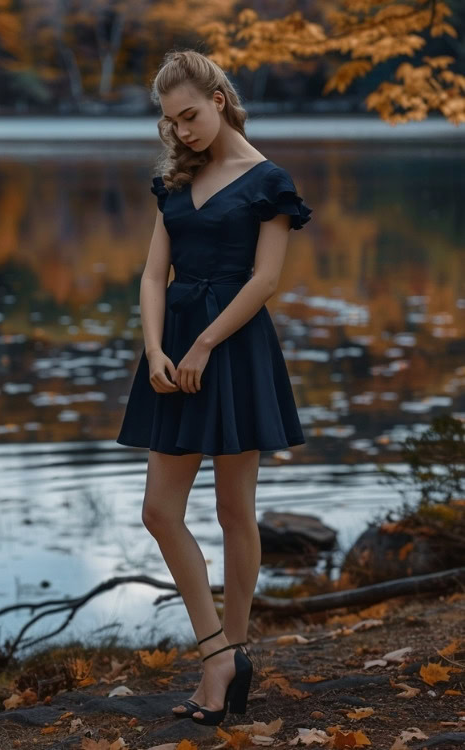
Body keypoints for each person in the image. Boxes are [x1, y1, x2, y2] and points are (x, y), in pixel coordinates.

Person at [116, 48, 312, 725]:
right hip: (173, 350)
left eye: (190, 116)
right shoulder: (175, 179)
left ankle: (232, 656)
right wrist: (155, 347)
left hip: (233, 348)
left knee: (236, 510)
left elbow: (265, 281)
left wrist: (203, 342)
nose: (182, 131)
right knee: (159, 511)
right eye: (171, 122)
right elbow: (150, 275)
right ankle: (217, 654)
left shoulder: (269, 182)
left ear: (219, 100)